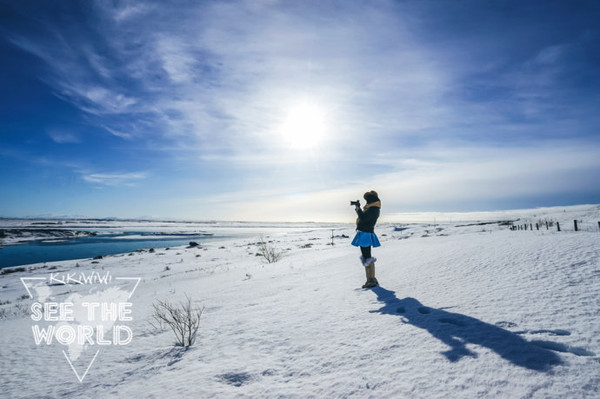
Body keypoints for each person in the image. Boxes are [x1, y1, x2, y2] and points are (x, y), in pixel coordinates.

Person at [351, 190, 381, 288]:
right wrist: (359, 209)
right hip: (366, 233)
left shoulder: (373, 209)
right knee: (366, 256)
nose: (366, 202)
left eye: (367, 200)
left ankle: (371, 280)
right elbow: (365, 218)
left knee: (367, 256)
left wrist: (358, 209)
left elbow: (363, 219)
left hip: (365, 234)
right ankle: (371, 278)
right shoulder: (374, 208)